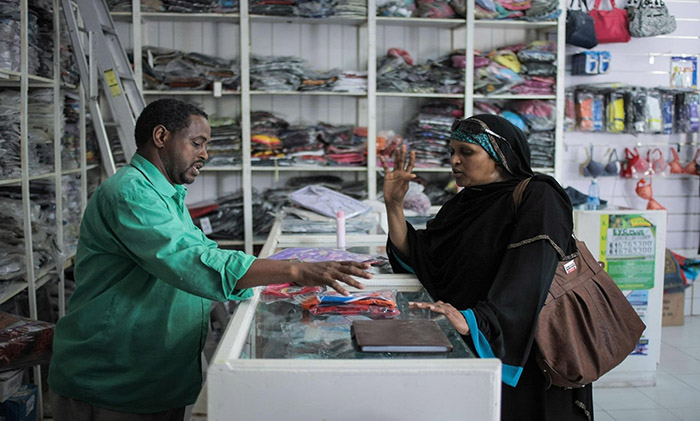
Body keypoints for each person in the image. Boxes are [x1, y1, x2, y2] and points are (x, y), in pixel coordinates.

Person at [48, 98, 371, 420]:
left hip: (150, 369)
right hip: (111, 373)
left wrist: (279, 271)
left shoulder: (163, 193)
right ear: (161, 137)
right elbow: (190, 261)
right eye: (197, 143)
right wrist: (295, 270)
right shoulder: (131, 194)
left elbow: (205, 252)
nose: (204, 154)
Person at [380, 114, 592, 420]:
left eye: (467, 152)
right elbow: (421, 257)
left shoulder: (538, 196)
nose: (454, 161)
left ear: (500, 154)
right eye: (451, 152)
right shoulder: (462, 204)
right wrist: (393, 206)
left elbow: (531, 275)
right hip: (473, 340)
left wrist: (479, 322)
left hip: (527, 348)